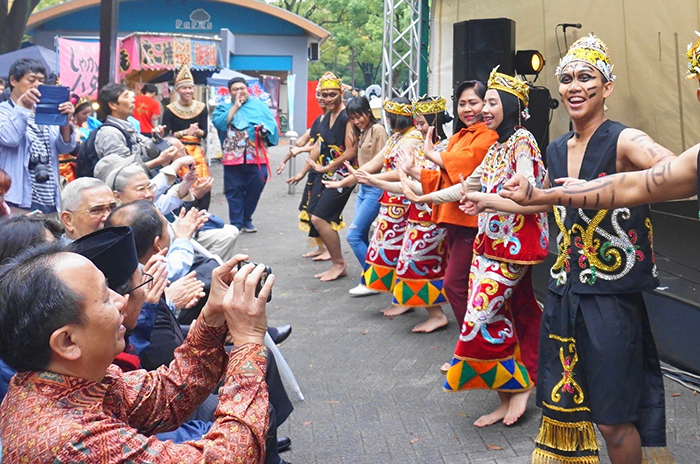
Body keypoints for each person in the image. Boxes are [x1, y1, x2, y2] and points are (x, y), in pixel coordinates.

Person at [472, 36, 674, 463]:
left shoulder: (623, 139)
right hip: (563, 296)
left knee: (614, 420)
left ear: (607, 87)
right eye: (566, 79)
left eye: (586, 77)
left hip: (611, 300)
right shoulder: (557, 148)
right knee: (570, 409)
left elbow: (670, 168)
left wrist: (616, 186)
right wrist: (499, 198)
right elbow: (543, 199)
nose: (574, 87)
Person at [0, 240, 274, 462]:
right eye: (106, 297)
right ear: (66, 342)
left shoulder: (61, 383)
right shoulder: (75, 442)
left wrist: (212, 317)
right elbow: (229, 458)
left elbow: (169, 393)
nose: (122, 301)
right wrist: (248, 341)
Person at [416, 69, 548, 428]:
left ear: (509, 104)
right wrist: (422, 196)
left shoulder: (522, 141)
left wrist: (485, 199)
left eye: (491, 102)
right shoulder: (496, 147)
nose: (484, 109)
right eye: (483, 102)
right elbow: (465, 191)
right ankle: (511, 393)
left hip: (514, 247)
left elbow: (529, 192)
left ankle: (519, 390)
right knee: (506, 316)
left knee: (478, 318)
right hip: (488, 246)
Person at [399, 81, 498, 370]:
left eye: (474, 103)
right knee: (462, 285)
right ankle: (473, 348)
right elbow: (445, 177)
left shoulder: (489, 136)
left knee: (455, 285)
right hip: (454, 219)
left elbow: (463, 167)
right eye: (463, 104)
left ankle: (473, 350)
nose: (468, 109)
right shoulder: (458, 137)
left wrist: (428, 157)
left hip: (473, 222)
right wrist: (412, 171)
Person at [290, 72, 358, 281]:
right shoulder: (325, 117)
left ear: (341, 93)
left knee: (320, 218)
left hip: (343, 174)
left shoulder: (347, 117)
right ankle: (335, 260)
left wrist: (326, 167)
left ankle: (339, 263)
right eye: (324, 94)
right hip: (325, 172)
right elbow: (319, 146)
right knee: (312, 215)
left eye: (332, 94)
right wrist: (304, 170)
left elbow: (350, 152)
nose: (328, 98)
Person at [0, 58, 76, 214]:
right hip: (15, 197)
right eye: (31, 80)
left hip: (48, 195)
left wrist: (66, 122)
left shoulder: (47, 111)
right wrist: (22, 107)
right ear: (13, 81)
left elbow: (65, 147)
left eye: (41, 81)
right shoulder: (2, 111)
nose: (36, 85)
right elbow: (10, 138)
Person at [212, 77, 279, 233]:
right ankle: (236, 222)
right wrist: (235, 106)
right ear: (229, 92)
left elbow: (272, 125)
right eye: (235, 89)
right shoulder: (223, 107)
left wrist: (264, 132)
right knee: (233, 189)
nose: (239, 92)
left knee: (258, 182)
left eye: (242, 88)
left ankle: (246, 217)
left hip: (256, 154)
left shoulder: (259, 106)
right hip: (232, 155)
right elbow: (220, 123)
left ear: (247, 89)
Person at [284, 86, 329, 259]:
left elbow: (320, 145)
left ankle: (330, 250)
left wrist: (302, 158)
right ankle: (322, 246)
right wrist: (286, 159)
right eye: (319, 94)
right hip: (314, 170)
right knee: (310, 210)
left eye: (326, 95)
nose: (321, 98)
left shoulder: (338, 119)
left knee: (319, 212)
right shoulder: (319, 120)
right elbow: (302, 142)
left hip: (328, 172)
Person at [94, 83, 177, 171]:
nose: (133, 100)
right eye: (126, 96)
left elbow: (147, 149)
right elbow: (122, 172)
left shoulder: (128, 126)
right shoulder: (110, 134)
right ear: (113, 105)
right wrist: (159, 160)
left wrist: (156, 139)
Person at [161, 66, 211, 210]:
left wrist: (196, 132)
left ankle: (202, 215)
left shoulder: (201, 107)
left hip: (196, 151)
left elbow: (205, 132)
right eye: (184, 88)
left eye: (190, 88)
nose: (188, 91)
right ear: (177, 90)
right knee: (181, 184)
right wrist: (184, 132)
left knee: (203, 182)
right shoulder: (170, 110)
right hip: (178, 151)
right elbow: (166, 136)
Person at [59, 177, 116, 242]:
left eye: (112, 207)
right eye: (96, 210)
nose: (108, 217)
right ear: (68, 220)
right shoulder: (60, 251)